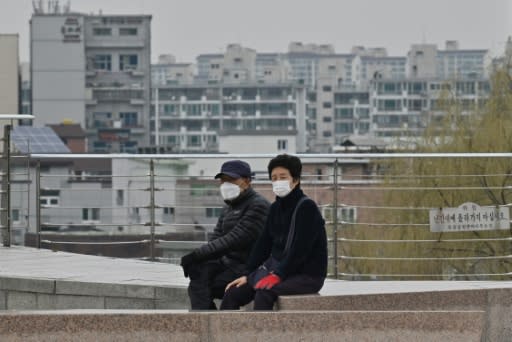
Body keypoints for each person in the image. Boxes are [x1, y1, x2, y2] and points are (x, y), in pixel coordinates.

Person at [220, 154, 327, 310]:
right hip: (278, 270)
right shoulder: (275, 208)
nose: (278, 182)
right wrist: (248, 274)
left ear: (295, 180)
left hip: (307, 276)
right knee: (233, 292)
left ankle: (261, 334)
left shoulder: (307, 208)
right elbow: (263, 243)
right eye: (274, 178)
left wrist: (279, 275)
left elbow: (300, 250)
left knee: (264, 293)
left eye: (283, 177)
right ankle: (227, 334)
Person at [180, 160, 270, 310]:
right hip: (228, 265)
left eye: (232, 180)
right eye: (223, 181)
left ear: (247, 181)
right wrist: (197, 260)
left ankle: (212, 323)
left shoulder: (258, 205)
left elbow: (234, 239)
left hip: (248, 267)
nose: (226, 185)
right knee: (197, 274)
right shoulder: (229, 207)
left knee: (204, 282)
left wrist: (196, 255)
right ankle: (206, 322)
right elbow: (216, 238)